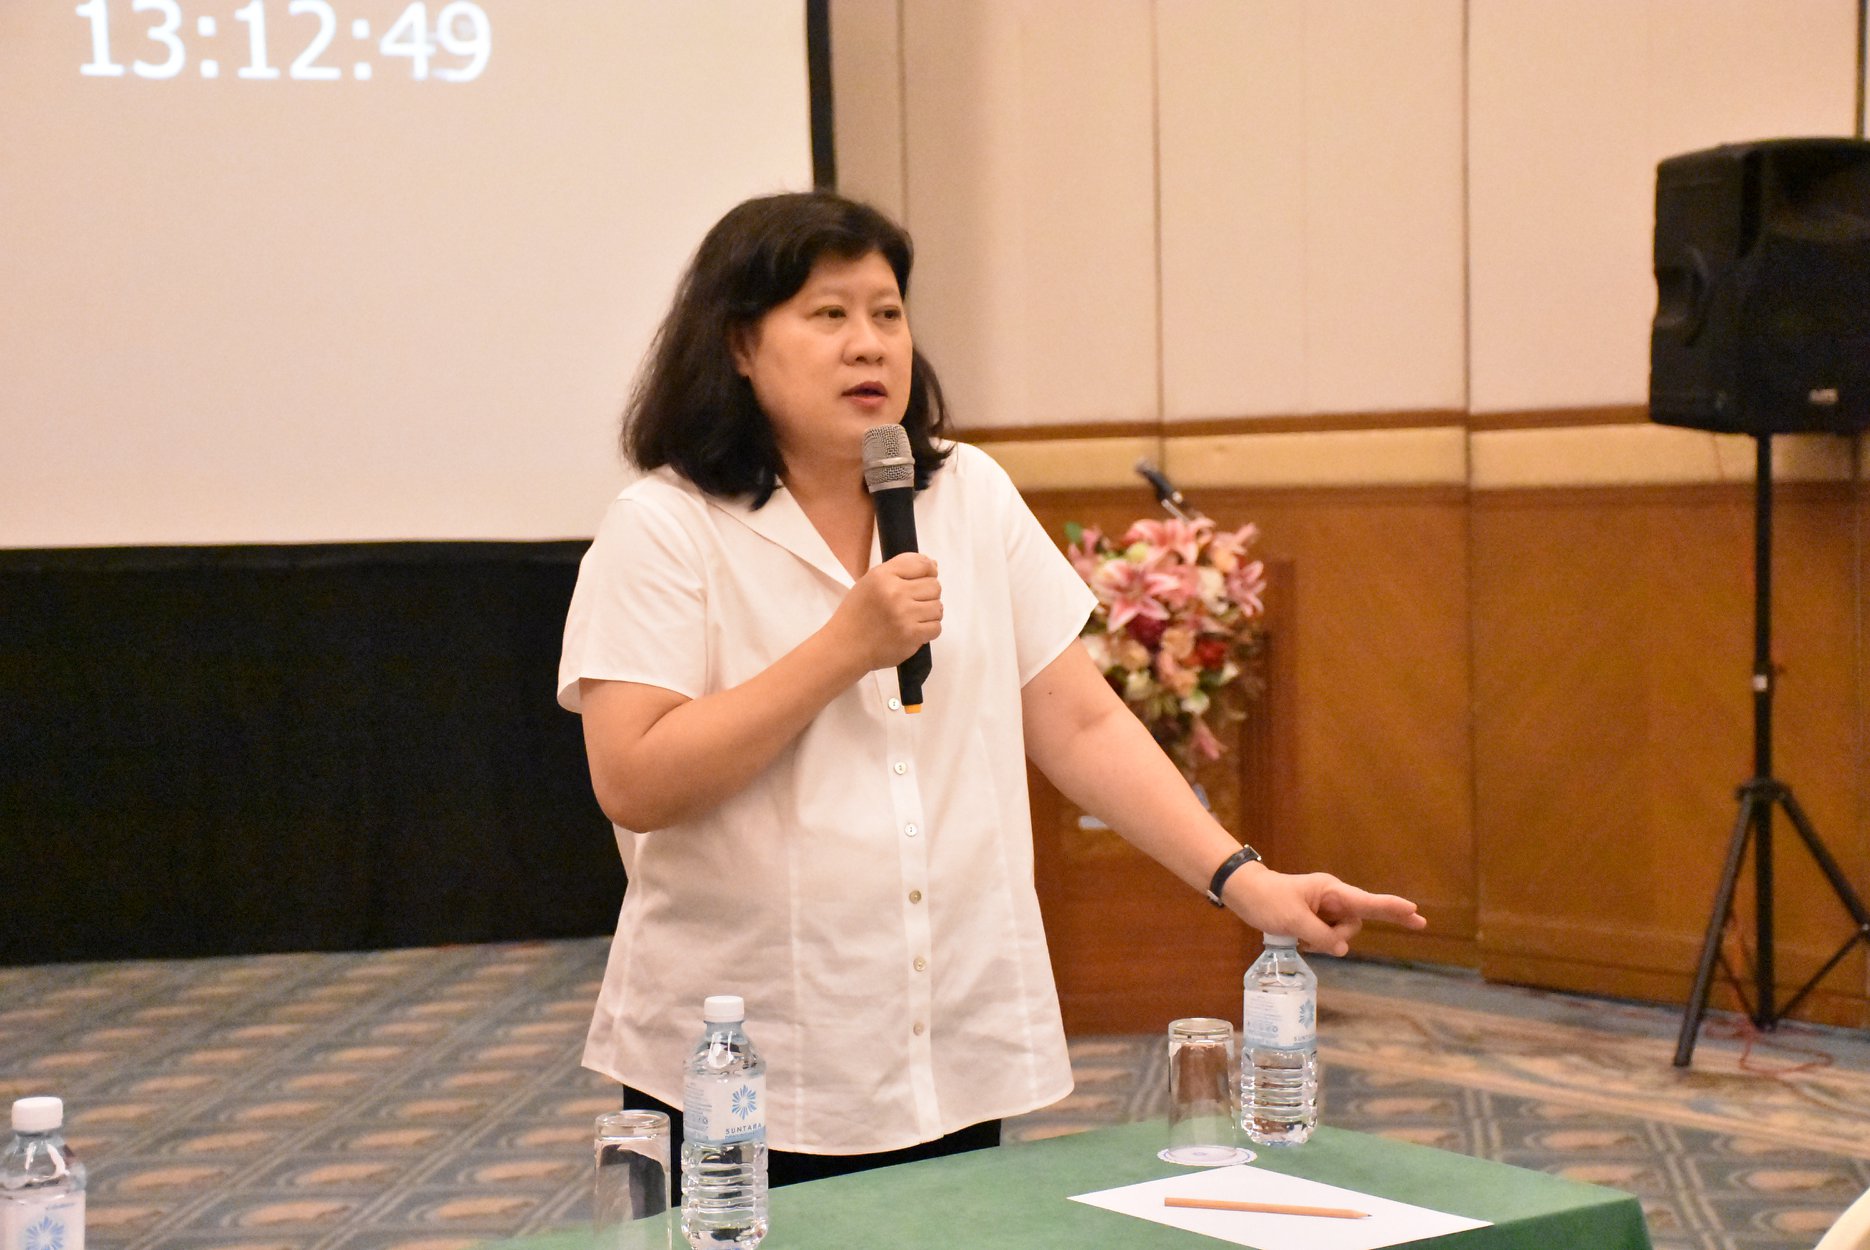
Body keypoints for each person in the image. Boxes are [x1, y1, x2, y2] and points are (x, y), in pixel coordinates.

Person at [557, 190, 1425, 1191]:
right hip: (747, 1057)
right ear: (739, 344)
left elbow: (1080, 722)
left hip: (946, 1035)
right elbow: (635, 778)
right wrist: (844, 648)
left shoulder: (965, 492)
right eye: (829, 314)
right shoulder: (663, 527)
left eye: (887, 313)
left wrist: (1245, 880)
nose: (868, 344)